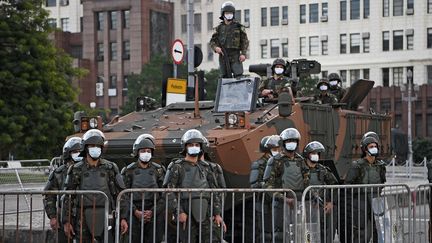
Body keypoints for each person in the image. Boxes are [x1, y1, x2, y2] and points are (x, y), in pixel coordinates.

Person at [62, 129, 128, 242]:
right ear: (85, 147)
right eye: (92, 145)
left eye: (98, 146)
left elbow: (120, 194)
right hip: (82, 217)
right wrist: (66, 221)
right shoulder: (76, 169)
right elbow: (68, 196)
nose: (95, 148)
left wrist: (123, 218)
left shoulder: (110, 168)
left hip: (106, 215)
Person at [163, 129, 224, 243]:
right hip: (186, 211)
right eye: (191, 145)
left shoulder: (206, 168)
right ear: (185, 147)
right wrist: (179, 212)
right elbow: (169, 191)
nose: (194, 147)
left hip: (206, 212)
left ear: (201, 147)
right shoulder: (177, 167)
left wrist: (217, 214)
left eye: (197, 145)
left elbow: (214, 191)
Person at [263, 128, 306, 242]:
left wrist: (313, 197)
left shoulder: (301, 160)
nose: (291, 144)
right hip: (281, 204)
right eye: (288, 141)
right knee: (280, 234)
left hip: (298, 203)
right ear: (283, 143)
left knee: (299, 233)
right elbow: (267, 185)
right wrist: (284, 199)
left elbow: (307, 181)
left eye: (294, 141)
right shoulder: (275, 160)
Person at [121, 134, 166, 243]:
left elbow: (165, 194)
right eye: (143, 151)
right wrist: (135, 211)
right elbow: (123, 194)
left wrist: (152, 212)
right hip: (134, 212)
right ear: (137, 152)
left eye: (148, 151)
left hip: (154, 212)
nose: (146, 153)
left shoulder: (159, 170)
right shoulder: (128, 171)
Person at [342, 135, 386, 243]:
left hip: (376, 199)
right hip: (360, 201)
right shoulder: (357, 165)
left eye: (375, 146)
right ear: (365, 149)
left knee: (378, 227)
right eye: (371, 146)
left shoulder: (380, 165)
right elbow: (348, 184)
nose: (374, 148)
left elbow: (382, 182)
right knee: (361, 230)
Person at [43, 137, 82, 243]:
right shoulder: (58, 173)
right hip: (64, 216)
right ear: (68, 153)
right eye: (75, 152)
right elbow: (49, 195)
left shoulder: (87, 171)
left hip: (84, 216)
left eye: (80, 151)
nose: (78, 154)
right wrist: (52, 216)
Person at [302, 141, 338, 243]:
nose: (316, 156)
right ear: (307, 154)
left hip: (321, 206)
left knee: (323, 230)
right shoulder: (301, 169)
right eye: (313, 153)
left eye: (317, 153)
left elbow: (334, 186)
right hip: (307, 206)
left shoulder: (323, 170)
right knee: (308, 231)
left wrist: (330, 202)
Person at [250, 135, 281, 242]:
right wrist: (268, 185)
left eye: (278, 149)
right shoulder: (259, 164)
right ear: (267, 150)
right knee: (266, 234)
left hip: (278, 201)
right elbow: (254, 185)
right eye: (274, 149)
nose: (277, 151)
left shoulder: (280, 163)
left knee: (280, 232)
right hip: (264, 203)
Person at [210, 1, 249, 78]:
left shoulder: (239, 27)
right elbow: (212, 41)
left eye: (230, 13)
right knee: (224, 76)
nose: (229, 15)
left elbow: (245, 41)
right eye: (227, 13)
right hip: (223, 55)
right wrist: (215, 48)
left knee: (238, 75)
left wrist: (243, 54)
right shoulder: (219, 28)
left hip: (235, 55)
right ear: (223, 14)